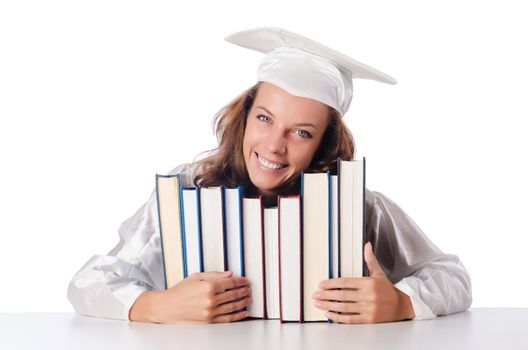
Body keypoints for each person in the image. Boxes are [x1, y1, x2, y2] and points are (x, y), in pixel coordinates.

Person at [67, 27, 472, 324]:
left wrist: (402, 303)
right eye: (265, 118)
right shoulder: (190, 190)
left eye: (301, 133)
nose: (275, 146)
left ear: (323, 144)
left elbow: (453, 278)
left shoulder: (360, 208)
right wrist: (154, 306)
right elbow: (89, 281)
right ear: (243, 117)